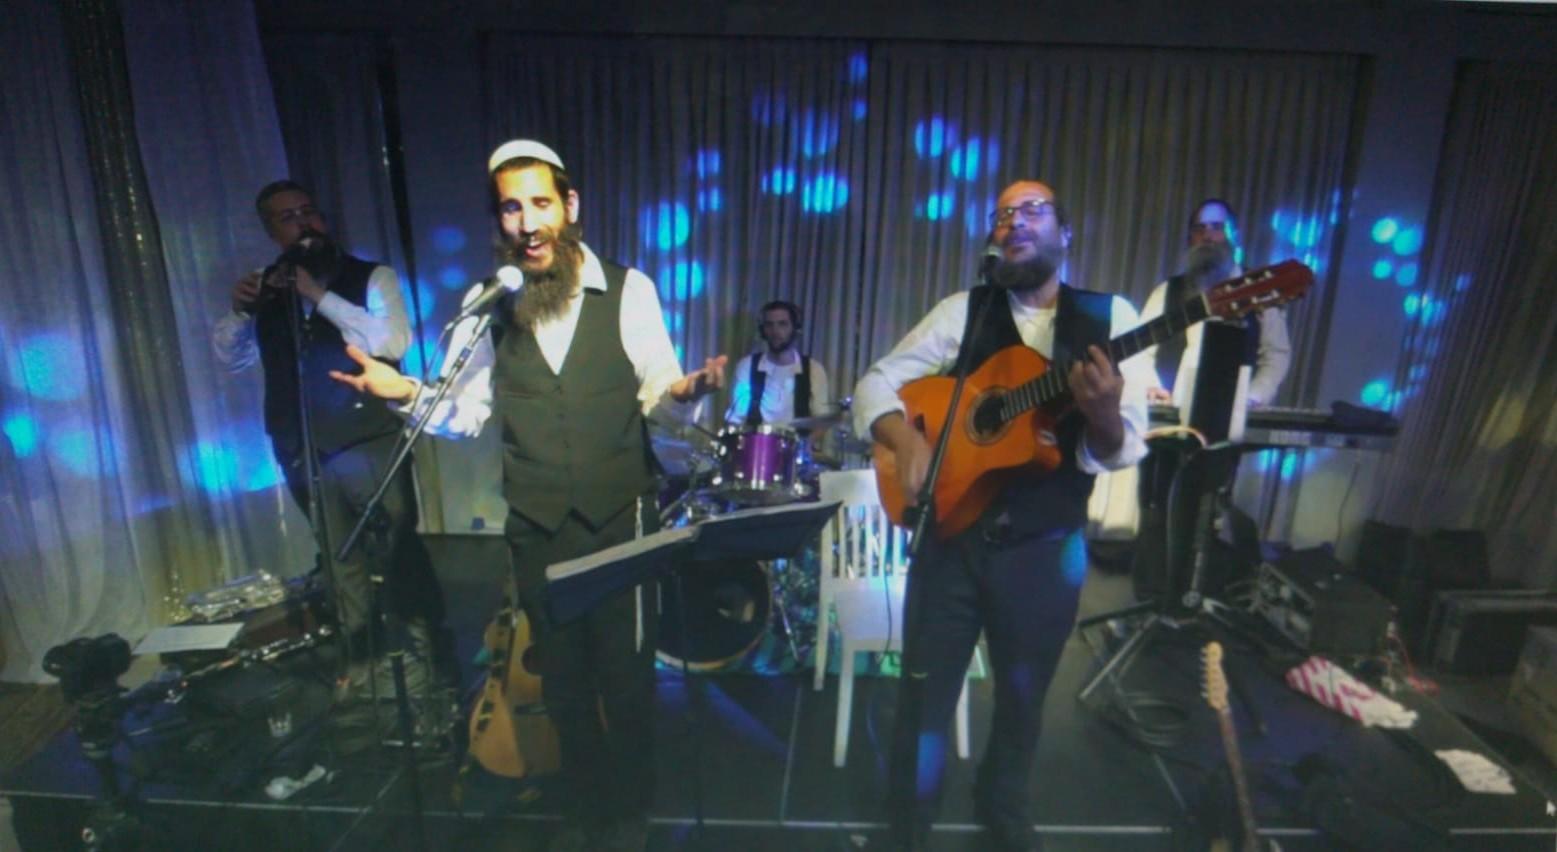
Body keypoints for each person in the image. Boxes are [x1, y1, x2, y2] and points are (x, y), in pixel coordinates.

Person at [330, 139, 726, 852]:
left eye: (541, 203)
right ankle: (583, 814)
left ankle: (630, 813)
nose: (528, 222)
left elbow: (658, 399)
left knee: (626, 684)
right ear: (499, 220)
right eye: (512, 208)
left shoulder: (628, 290)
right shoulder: (486, 305)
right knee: (564, 687)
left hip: (623, 520)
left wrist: (686, 394)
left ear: (569, 206)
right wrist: (403, 392)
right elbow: (462, 412)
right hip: (538, 525)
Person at [853, 180, 1152, 851]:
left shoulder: (1112, 316)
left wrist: (1102, 412)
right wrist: (906, 440)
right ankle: (907, 826)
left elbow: (1118, 448)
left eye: (1033, 210)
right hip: (950, 540)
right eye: (1003, 214)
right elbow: (874, 382)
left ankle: (1004, 809)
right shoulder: (964, 309)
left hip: (1046, 550)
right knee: (923, 703)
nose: (1014, 221)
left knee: (1022, 701)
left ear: (1065, 233)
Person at [212, 180, 446, 709]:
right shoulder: (265, 288)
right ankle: (361, 661)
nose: (304, 223)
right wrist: (240, 312)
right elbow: (233, 360)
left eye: (309, 211)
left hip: (367, 440)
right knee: (339, 557)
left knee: (395, 547)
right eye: (288, 217)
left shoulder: (371, 276)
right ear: (271, 231)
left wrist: (318, 297)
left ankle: (425, 654)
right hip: (301, 445)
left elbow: (391, 341)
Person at [1141, 198, 1291, 408]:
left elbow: (1276, 355)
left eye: (1217, 227)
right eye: (1199, 228)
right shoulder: (1166, 292)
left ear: (1234, 235)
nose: (1207, 236)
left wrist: (1252, 397)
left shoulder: (1259, 291)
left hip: (1234, 416)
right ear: (1190, 238)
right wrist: (1151, 386)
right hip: (1169, 415)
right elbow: (1140, 351)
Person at [723, 299, 831, 428]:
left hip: (797, 439)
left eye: (782, 324)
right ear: (763, 330)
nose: (775, 331)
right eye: (769, 325)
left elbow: (821, 420)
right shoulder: (747, 366)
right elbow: (736, 417)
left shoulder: (813, 369)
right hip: (756, 440)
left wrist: (805, 442)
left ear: (795, 328)